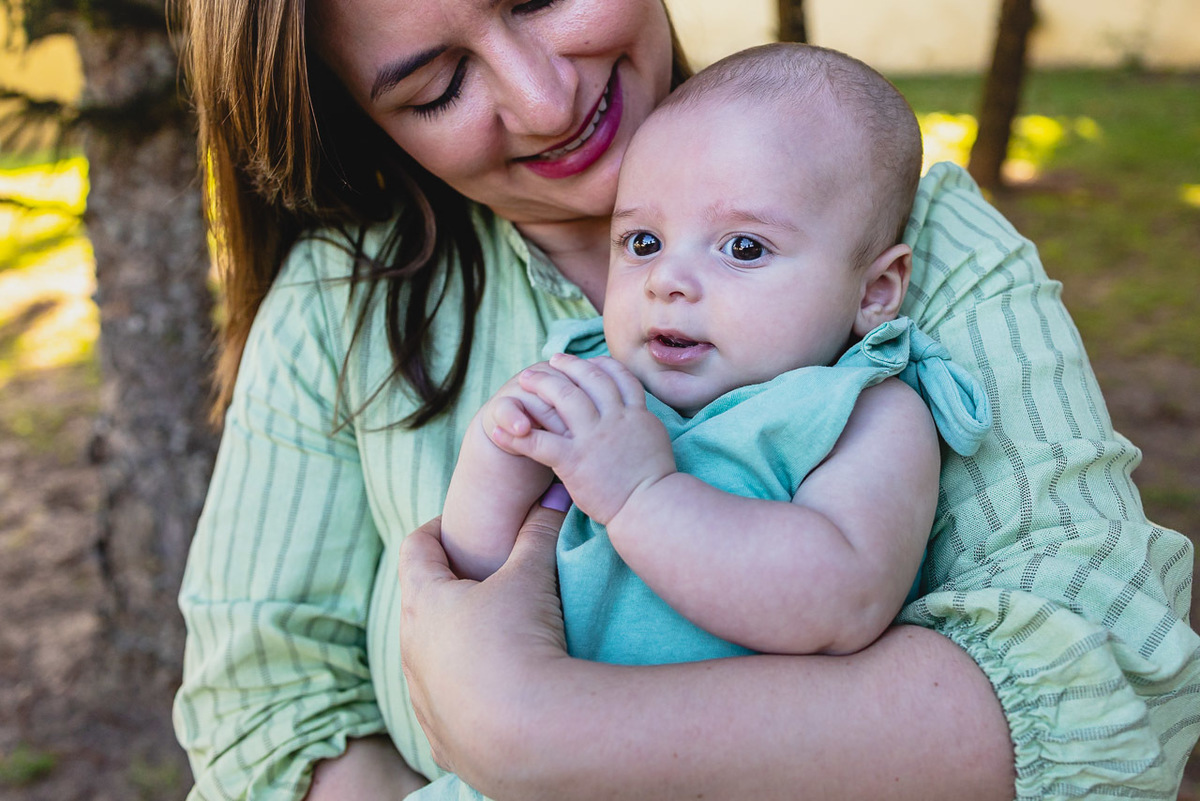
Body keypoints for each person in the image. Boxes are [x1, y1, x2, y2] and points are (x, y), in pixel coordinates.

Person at [171, 0, 1200, 798]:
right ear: (369, 125)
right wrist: (491, 469)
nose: (544, 101)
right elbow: (268, 704)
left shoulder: (896, 319)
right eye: (439, 87)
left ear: (874, 289)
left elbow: (1112, 679)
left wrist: (532, 730)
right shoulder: (347, 304)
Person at [440, 44, 992, 667]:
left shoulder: (859, 413)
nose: (666, 280)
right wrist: (496, 459)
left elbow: (844, 601)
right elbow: (476, 579)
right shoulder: (597, 388)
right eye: (642, 242)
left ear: (874, 292)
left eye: (744, 248)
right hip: (536, 717)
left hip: (749, 729)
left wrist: (640, 495)